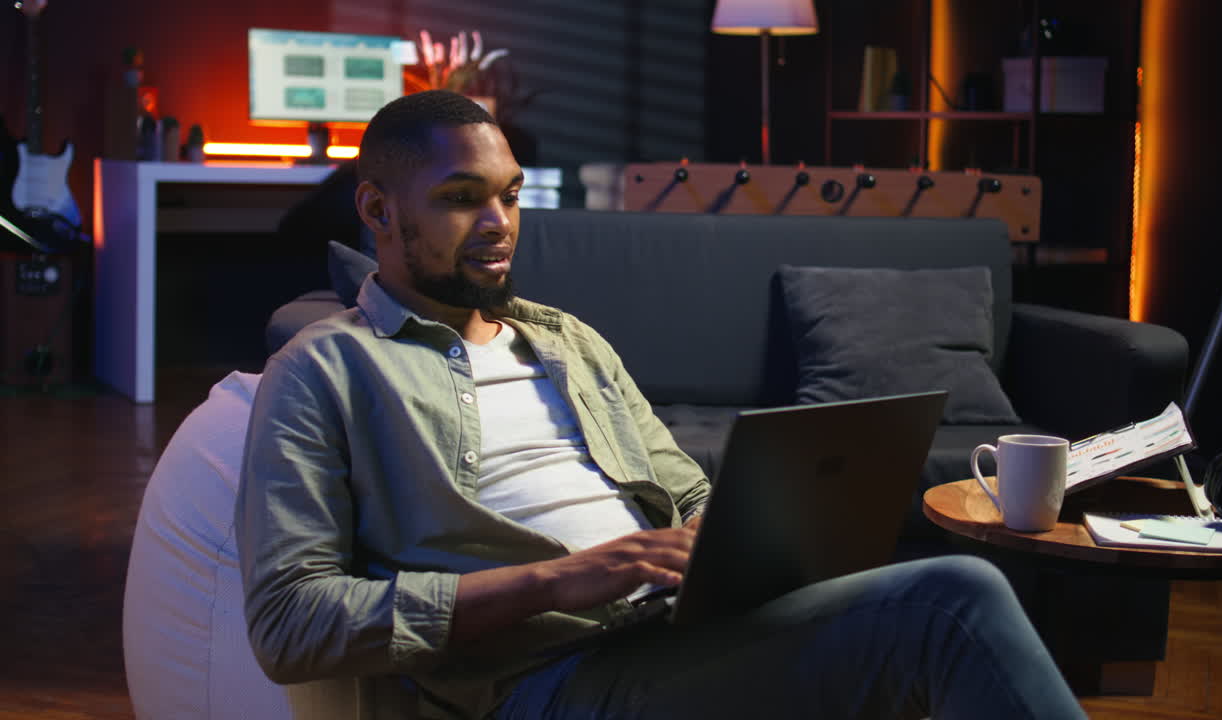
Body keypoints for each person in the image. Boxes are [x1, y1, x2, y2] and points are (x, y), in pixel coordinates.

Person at [235, 90, 1086, 720]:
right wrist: (563, 578)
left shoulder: (567, 340)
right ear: (378, 208)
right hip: (547, 676)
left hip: (672, 634)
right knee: (951, 603)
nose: (498, 222)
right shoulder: (326, 370)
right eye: (462, 199)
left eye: (510, 194)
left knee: (919, 608)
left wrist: (753, 538)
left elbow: (687, 495)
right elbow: (290, 623)